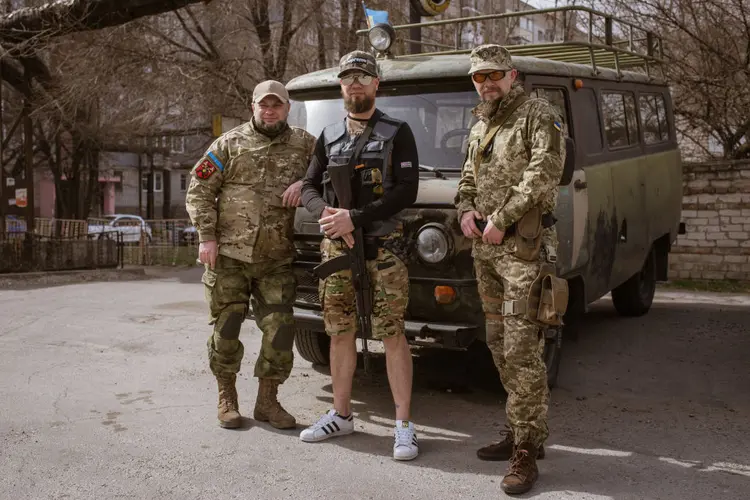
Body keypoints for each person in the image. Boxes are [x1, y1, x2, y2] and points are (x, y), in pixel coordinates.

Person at [298, 50, 420, 461]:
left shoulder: (396, 131)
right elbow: (309, 185)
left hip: (382, 249)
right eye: (348, 78)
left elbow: (407, 190)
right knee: (338, 330)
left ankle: (403, 425)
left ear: (376, 85)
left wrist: (356, 217)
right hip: (338, 249)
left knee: (392, 333)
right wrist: (329, 217)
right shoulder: (329, 136)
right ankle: (341, 414)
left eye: (363, 77)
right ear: (341, 86)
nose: (355, 84)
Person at [455, 44, 565, 495]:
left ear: (513, 74)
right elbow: (467, 175)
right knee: (499, 344)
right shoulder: (481, 121)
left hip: (524, 247)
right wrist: (464, 210)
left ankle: (525, 450)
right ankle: (523, 431)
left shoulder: (539, 114)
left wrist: (501, 219)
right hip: (487, 251)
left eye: (495, 74)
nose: (488, 83)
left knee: (522, 346)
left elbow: (544, 172)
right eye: (480, 77)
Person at [186, 80, 316, 430]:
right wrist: (206, 237)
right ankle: (226, 397)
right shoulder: (229, 143)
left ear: (288, 108)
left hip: (276, 257)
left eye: (277, 104)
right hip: (229, 254)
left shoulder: (306, 145)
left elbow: (329, 178)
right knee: (226, 328)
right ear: (253, 106)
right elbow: (199, 189)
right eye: (264, 104)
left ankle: (268, 401)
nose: (269, 110)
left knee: (281, 330)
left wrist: (306, 185)